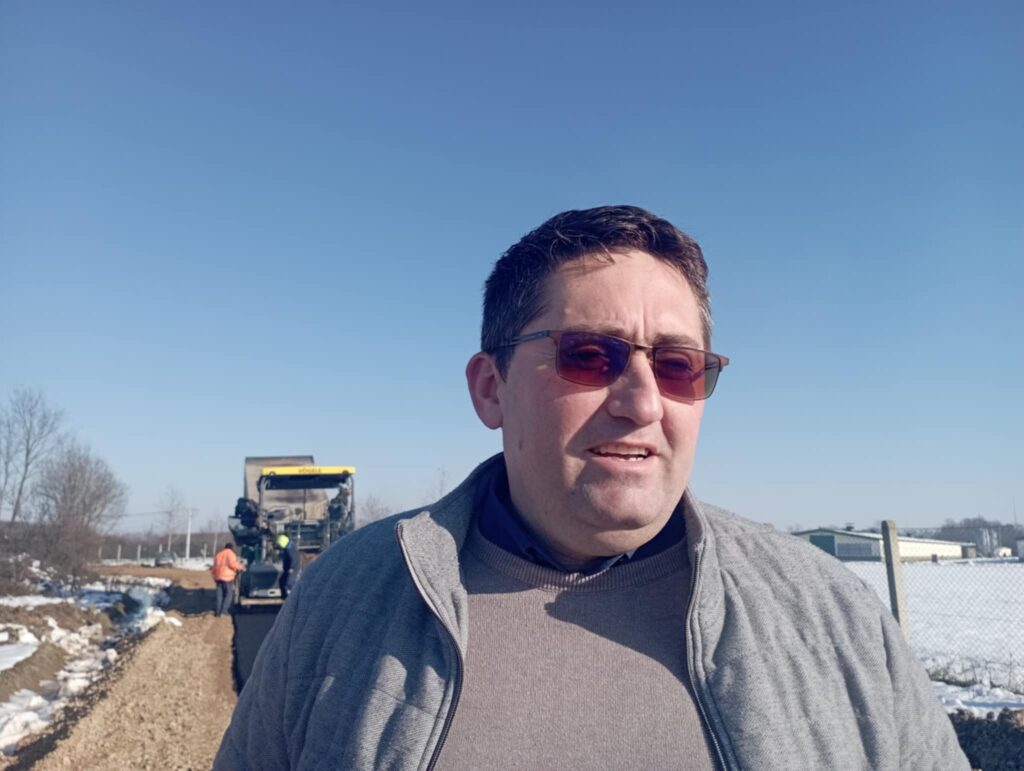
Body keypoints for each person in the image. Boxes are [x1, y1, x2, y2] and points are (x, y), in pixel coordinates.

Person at [215, 206, 969, 770]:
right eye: (589, 355)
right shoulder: (348, 599)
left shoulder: (831, 616)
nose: (643, 403)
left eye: (677, 366)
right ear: (490, 388)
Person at [210, 541, 243, 617]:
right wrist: (241, 567)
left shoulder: (218, 555)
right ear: (231, 548)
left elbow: (214, 568)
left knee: (219, 595)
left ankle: (218, 612)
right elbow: (232, 564)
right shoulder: (230, 554)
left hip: (218, 577)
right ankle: (224, 611)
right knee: (228, 595)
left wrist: (214, 577)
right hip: (227, 577)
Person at [275, 533, 298, 600]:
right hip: (287, 569)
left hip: (293, 568)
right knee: (282, 581)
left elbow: (294, 558)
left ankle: (295, 597)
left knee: (290, 583)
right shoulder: (287, 548)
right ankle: (284, 596)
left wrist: (292, 567)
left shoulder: (291, 548)